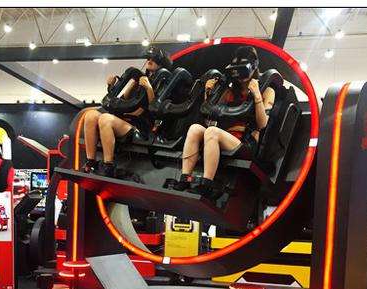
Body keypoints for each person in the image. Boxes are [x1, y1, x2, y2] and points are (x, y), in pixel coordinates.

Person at [172, 46, 275, 199]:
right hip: (222, 135)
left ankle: (206, 184)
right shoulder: (229, 90)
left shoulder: (267, 90)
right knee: (195, 128)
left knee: (212, 132)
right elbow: (210, 116)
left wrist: (257, 95)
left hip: (245, 142)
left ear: (253, 67)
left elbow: (262, 124)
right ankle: (185, 178)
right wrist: (208, 94)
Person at [82, 46, 172, 177]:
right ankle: (91, 161)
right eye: (148, 58)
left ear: (161, 62)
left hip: (142, 127)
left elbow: (155, 108)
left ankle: (108, 165)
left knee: (105, 119)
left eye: (153, 59)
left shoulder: (164, 82)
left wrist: (149, 89)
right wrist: (113, 86)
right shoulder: (141, 78)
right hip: (124, 120)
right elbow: (123, 100)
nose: (149, 61)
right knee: (90, 115)